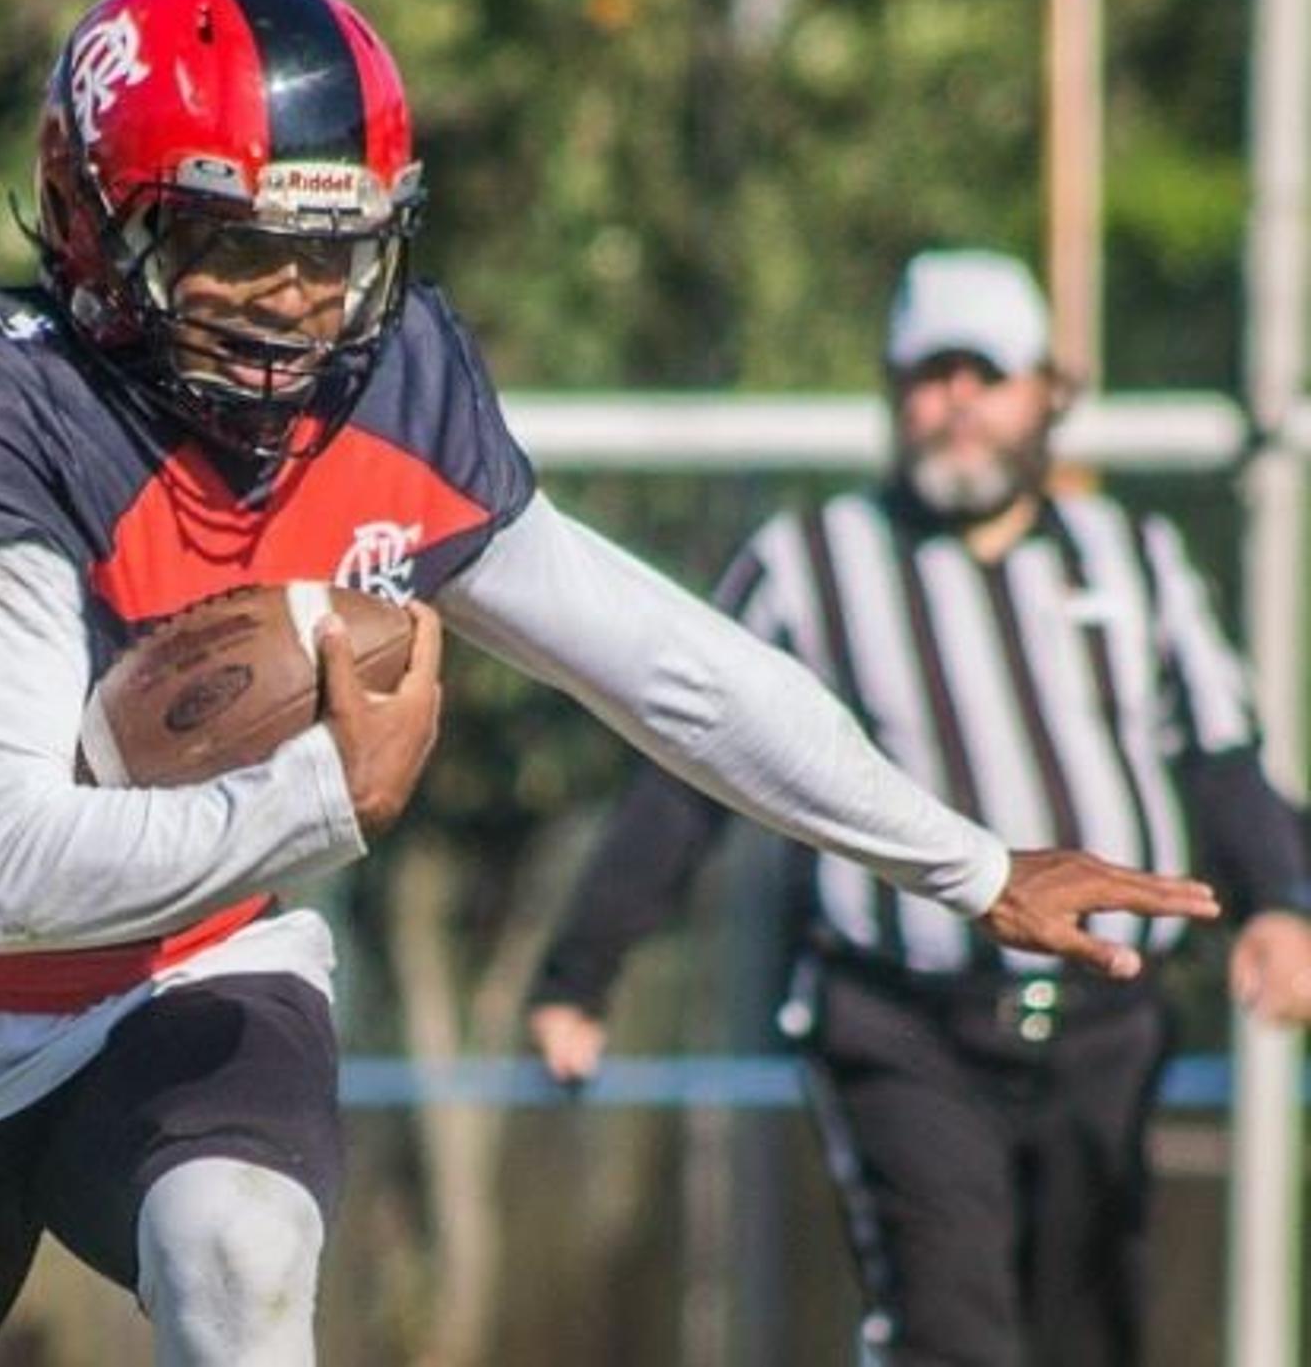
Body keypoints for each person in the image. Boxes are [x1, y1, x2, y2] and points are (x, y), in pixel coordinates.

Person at [0, 0, 1217, 1367]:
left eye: (333, 256)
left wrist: (967, 863)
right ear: (92, 217)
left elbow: (670, 667)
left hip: (184, 968)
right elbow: (15, 874)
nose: (298, 309)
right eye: (239, 251)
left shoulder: (396, 393)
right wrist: (320, 797)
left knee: (235, 1251)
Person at [528, 248, 1311, 1367]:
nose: (957, 407)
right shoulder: (812, 563)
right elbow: (688, 767)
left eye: (985, 377)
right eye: (929, 377)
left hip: (1108, 1023)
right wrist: (579, 972)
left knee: (1092, 1332)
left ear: (1050, 392)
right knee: (951, 1330)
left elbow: (1224, 757)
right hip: (905, 1023)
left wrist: (1281, 901)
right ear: (894, 394)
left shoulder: (1132, 556)